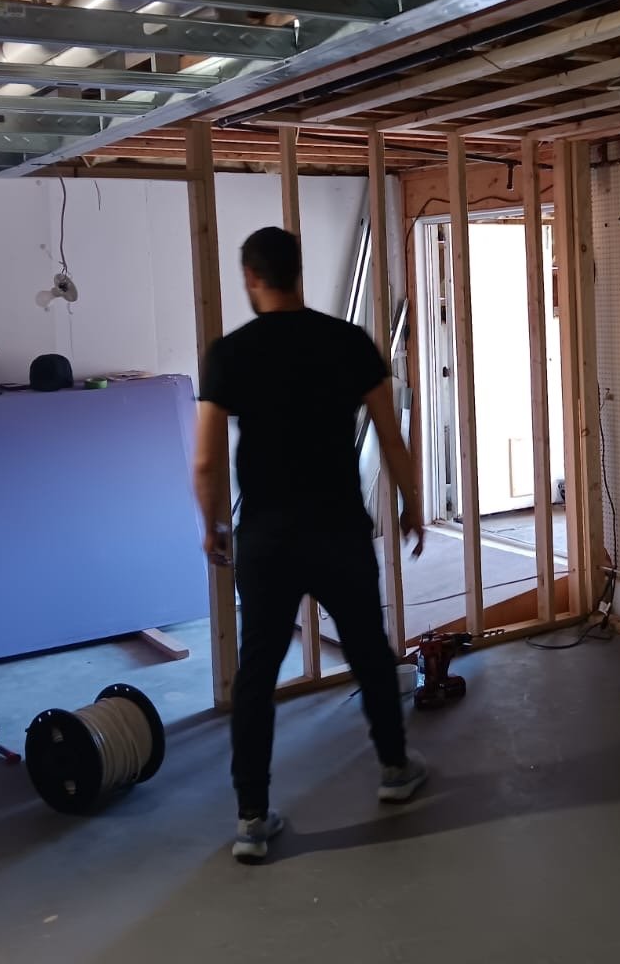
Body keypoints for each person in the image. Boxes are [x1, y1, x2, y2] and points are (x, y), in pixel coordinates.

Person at [195, 226, 427, 864]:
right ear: (298, 272)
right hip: (336, 529)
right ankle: (394, 769)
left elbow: (207, 460)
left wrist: (213, 523)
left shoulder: (228, 353)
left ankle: (250, 818)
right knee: (369, 651)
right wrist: (410, 504)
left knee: (257, 673)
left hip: (266, 537)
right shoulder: (348, 342)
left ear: (251, 277)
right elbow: (392, 433)